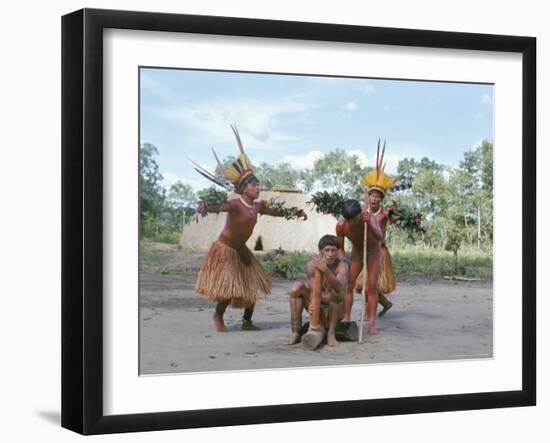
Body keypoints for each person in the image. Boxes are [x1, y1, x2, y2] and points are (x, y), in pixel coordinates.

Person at [194, 125, 307, 332]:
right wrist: (205, 206)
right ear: (243, 188)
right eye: (254, 186)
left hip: (242, 249)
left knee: (253, 284)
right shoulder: (235, 204)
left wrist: (295, 213)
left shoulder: (258, 206)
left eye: (258, 185)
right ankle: (218, 315)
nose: (258, 188)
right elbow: (219, 207)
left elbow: (276, 212)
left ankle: (247, 321)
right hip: (226, 249)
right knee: (229, 288)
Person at [336, 142, 400, 334]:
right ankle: (346, 316)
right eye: (372, 195)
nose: (374, 199)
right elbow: (340, 246)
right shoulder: (351, 217)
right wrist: (342, 260)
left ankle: (371, 322)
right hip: (357, 252)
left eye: (378, 197)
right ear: (368, 196)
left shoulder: (379, 215)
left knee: (371, 288)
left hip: (374, 252)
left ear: (381, 199)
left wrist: (373, 221)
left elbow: (380, 236)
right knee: (348, 284)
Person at [287, 235, 348, 348]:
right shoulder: (311, 266)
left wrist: (325, 271)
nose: (330, 254)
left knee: (337, 293)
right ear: (321, 252)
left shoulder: (342, 266)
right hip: (317, 309)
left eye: (333, 250)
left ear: (338, 251)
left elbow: (339, 288)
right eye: (327, 250)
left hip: (335, 310)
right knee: (296, 287)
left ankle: (331, 333)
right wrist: (312, 303)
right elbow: (313, 291)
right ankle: (296, 331)